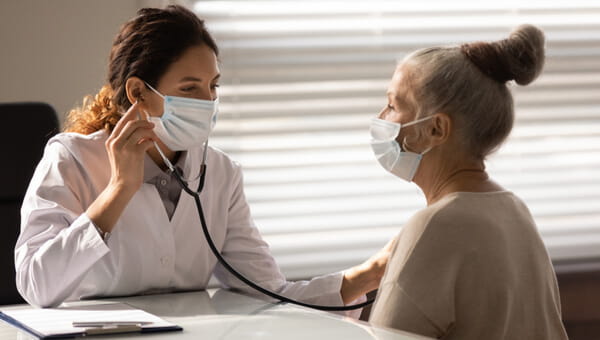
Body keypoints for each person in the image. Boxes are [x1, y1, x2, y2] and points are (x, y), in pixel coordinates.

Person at [15, 5, 390, 313]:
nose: (208, 102)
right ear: (138, 94)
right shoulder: (72, 159)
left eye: (213, 86)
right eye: (189, 88)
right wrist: (119, 190)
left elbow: (268, 292)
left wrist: (370, 273)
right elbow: (36, 284)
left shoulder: (221, 173)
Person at [367, 25, 568, 339]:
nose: (381, 116)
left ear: (436, 129)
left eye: (393, 105)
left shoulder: (434, 227)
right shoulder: (515, 210)